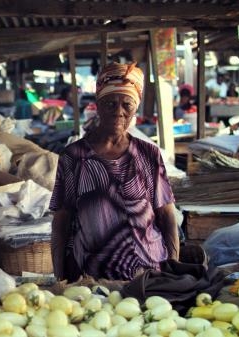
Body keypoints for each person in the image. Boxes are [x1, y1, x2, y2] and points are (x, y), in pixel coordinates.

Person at [50, 62, 179, 282]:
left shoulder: (148, 154)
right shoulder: (73, 156)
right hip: (90, 277)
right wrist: (60, 278)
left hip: (148, 274)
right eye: (110, 103)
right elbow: (61, 221)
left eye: (126, 104)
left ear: (135, 108)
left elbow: (166, 214)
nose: (119, 111)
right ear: (97, 106)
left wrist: (174, 269)